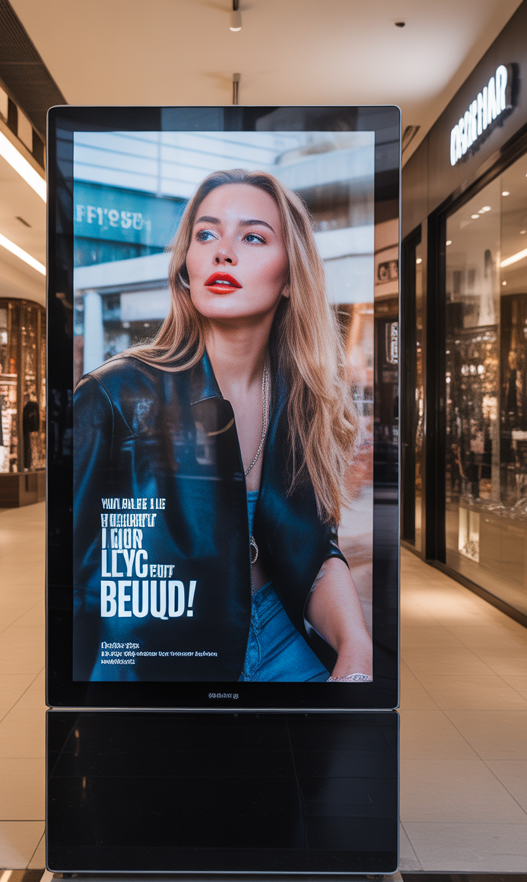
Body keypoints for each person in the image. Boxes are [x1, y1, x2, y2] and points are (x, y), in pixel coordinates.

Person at [73, 169, 373, 683]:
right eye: (206, 234)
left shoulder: (303, 400)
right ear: (187, 268)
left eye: (252, 237)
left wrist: (355, 648)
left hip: (282, 639)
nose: (222, 252)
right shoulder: (115, 395)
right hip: (165, 662)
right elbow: (75, 584)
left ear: (289, 277)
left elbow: (315, 548)